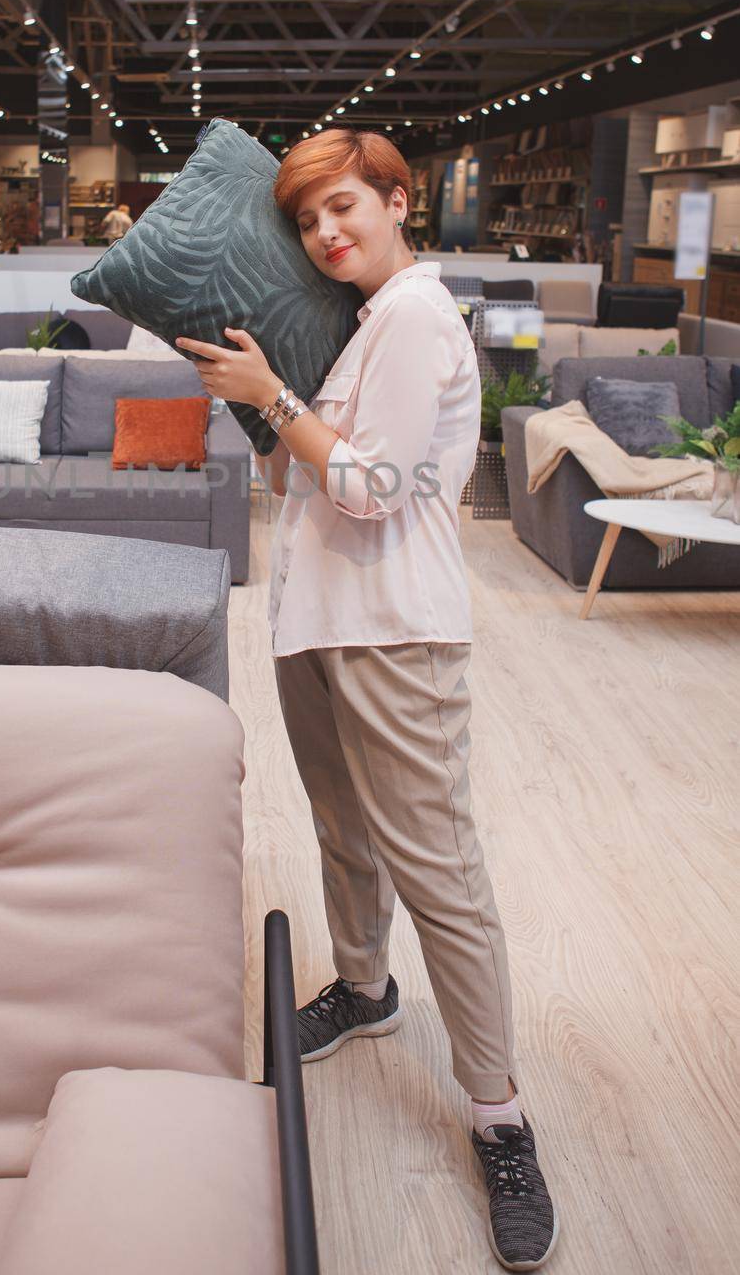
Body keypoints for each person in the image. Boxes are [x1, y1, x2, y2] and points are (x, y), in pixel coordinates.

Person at [176, 129, 558, 1272]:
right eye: (305, 220)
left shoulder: (411, 316)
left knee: (437, 866)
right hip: (319, 621)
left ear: (398, 199)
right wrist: (278, 415)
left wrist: (268, 395)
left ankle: (497, 1116)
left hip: (395, 626)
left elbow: (378, 489)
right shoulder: (358, 321)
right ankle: (360, 985)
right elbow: (315, 472)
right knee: (345, 833)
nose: (325, 232)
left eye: (342, 206)